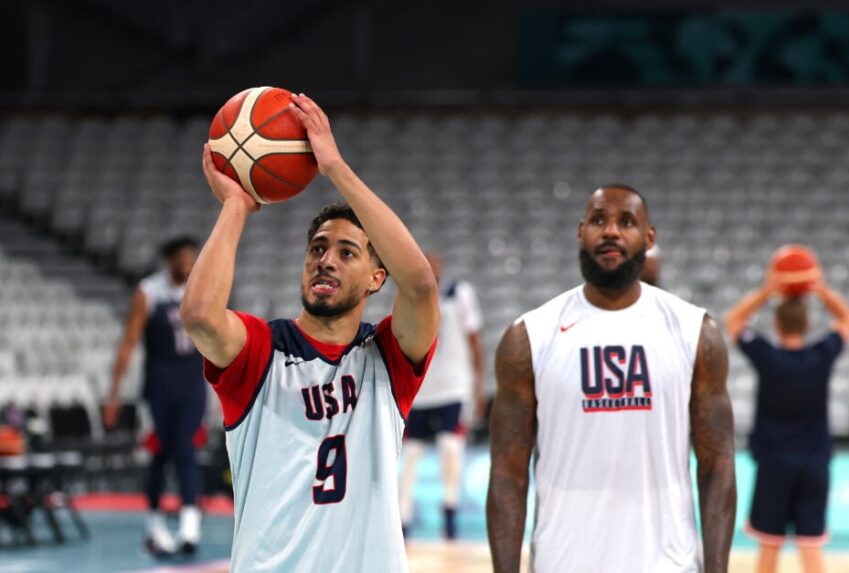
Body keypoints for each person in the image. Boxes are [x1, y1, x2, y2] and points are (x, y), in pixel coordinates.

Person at [180, 93, 439, 572]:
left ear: (376, 278)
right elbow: (198, 315)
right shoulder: (261, 349)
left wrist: (335, 166)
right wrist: (236, 205)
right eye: (318, 248)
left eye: (348, 252)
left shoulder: (386, 359)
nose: (326, 259)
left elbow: (421, 284)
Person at [487, 185, 737, 573]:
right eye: (598, 220)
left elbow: (717, 466)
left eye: (627, 222)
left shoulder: (694, 332)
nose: (611, 232)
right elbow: (507, 474)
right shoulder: (529, 337)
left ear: (648, 237)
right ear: (580, 230)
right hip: (563, 563)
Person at [724, 271, 849, 573]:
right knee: (811, 549)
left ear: (776, 324)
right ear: (808, 324)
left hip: (774, 465)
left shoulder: (767, 356)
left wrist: (767, 291)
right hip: (814, 464)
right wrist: (820, 289)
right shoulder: (821, 354)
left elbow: (733, 322)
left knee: (769, 546)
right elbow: (847, 318)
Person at [104, 237, 206, 556]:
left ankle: (191, 526)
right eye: (183, 258)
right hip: (159, 389)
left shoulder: (202, 288)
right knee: (159, 454)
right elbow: (129, 342)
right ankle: (154, 524)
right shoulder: (149, 292)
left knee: (187, 452)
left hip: (192, 386)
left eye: (193, 257)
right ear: (170, 261)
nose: (189, 263)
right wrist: (114, 394)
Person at [398, 252, 484, 540]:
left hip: (453, 386)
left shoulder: (460, 294)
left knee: (451, 449)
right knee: (409, 457)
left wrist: (477, 385)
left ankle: (450, 516)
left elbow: (474, 341)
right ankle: (403, 521)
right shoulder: (410, 298)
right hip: (422, 390)